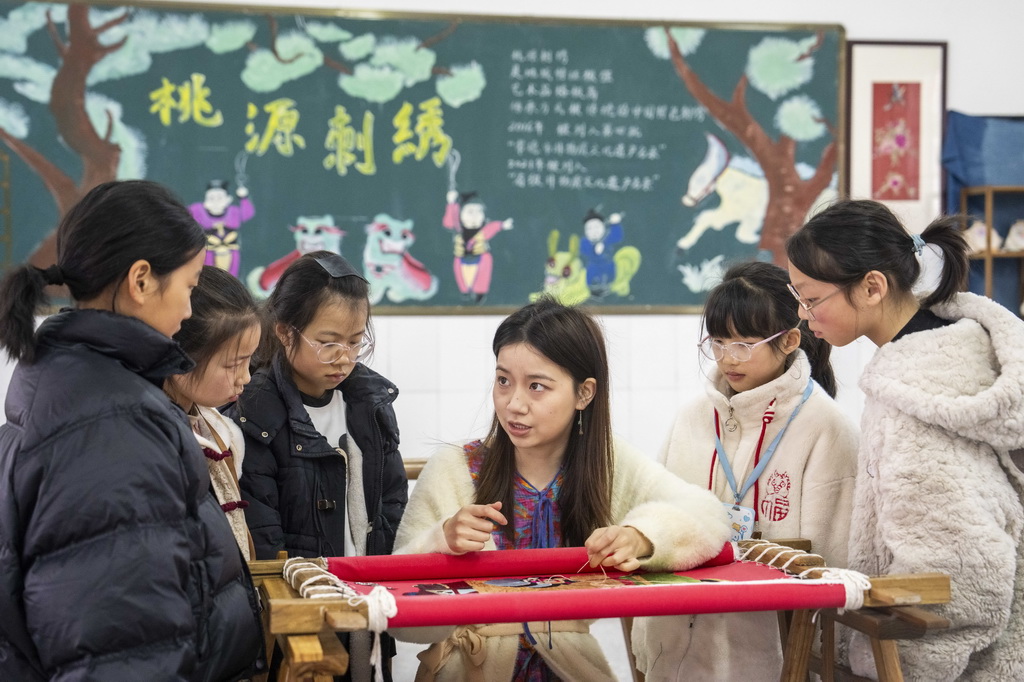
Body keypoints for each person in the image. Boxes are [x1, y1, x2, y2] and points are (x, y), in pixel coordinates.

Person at [0, 180, 263, 681]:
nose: (189, 310)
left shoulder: (67, 381)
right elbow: (123, 652)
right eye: (188, 286)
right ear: (141, 280)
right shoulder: (113, 425)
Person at [392, 297, 731, 682]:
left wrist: (641, 537)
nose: (514, 403)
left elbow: (708, 515)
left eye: (537, 386)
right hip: (470, 668)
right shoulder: (455, 468)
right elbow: (400, 621)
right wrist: (441, 542)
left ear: (584, 394)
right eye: (503, 380)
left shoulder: (608, 465)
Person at [786, 199, 1024, 680]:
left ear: (872, 286)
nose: (803, 313)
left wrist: (893, 667)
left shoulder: (914, 398)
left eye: (811, 299)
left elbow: (959, 573)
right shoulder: (952, 348)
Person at [631, 261, 859, 681]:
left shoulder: (827, 428)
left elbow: (833, 562)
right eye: (718, 342)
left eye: (744, 344)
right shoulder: (692, 418)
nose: (727, 358)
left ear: (790, 339)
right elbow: (655, 523)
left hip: (773, 661)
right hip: (679, 652)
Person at [225, 250, 407, 680]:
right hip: (298, 621)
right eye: (328, 343)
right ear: (286, 333)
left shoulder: (370, 403)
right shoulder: (256, 413)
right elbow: (264, 540)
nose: (344, 357)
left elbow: (393, 502)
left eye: (355, 341)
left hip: (368, 606)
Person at [166, 265, 261, 560]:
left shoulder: (223, 431)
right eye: (234, 365)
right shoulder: (153, 440)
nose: (245, 377)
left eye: (250, 361)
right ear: (183, 358)